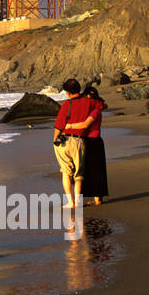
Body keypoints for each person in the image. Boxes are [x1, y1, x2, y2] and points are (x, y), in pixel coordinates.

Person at [52, 78, 94, 219]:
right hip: (80, 141)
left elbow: (59, 125)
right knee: (79, 173)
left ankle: (70, 202)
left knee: (66, 172)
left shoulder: (66, 105)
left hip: (65, 140)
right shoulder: (88, 103)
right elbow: (100, 106)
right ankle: (77, 201)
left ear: (68, 92)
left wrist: (54, 141)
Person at [77, 84, 109, 205]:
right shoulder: (96, 108)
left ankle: (98, 199)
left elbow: (85, 125)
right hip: (93, 141)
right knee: (95, 171)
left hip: (93, 142)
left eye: (86, 97)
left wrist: (68, 126)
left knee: (94, 171)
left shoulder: (95, 111)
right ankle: (97, 198)